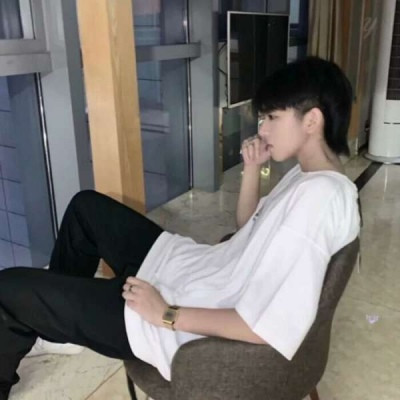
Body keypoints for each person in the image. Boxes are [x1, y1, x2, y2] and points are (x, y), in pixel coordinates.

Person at [0, 56, 360, 399]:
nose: (262, 129)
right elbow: (247, 227)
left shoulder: (319, 199)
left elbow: (268, 326)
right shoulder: (311, 178)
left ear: (311, 120)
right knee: (86, 209)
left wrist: (166, 314)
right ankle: (59, 330)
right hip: (198, 272)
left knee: (8, 289)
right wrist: (252, 168)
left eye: (272, 117)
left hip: (185, 319)